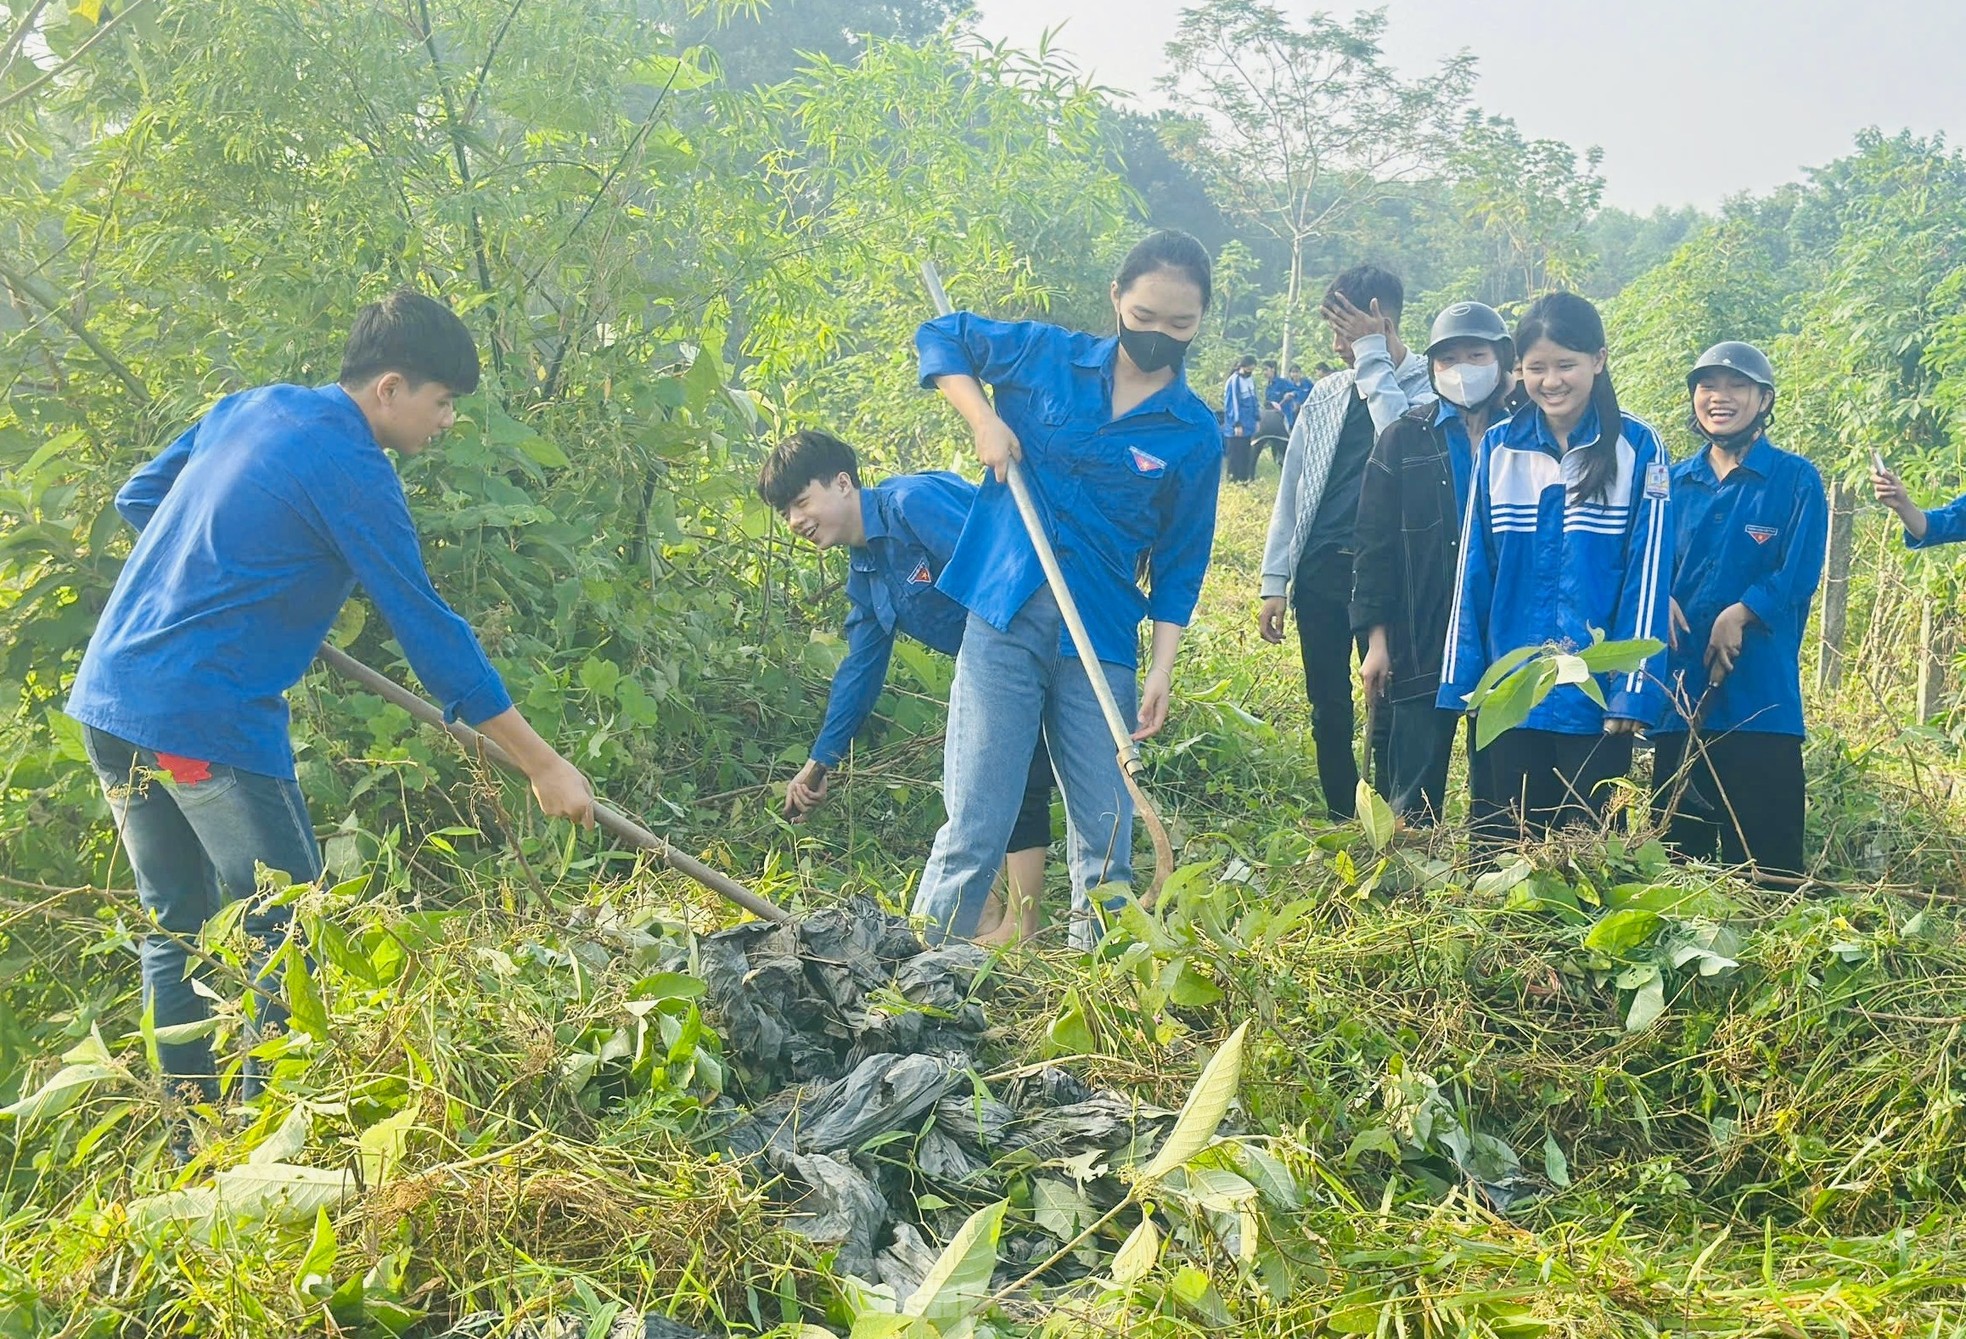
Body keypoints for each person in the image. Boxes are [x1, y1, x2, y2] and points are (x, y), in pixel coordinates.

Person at [65, 290, 595, 1125]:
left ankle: (189, 1132)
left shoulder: (251, 405)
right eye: (443, 401)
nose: (448, 420)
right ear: (390, 388)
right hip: (203, 724)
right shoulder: (355, 471)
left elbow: (141, 498)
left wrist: (245, 572)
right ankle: (270, 1146)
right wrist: (543, 761)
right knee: (290, 932)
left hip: (109, 701)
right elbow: (428, 627)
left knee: (176, 927)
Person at [911, 230, 1221, 946]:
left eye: (1179, 325)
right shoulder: (1046, 356)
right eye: (1144, 317)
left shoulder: (1193, 432)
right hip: (1007, 614)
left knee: (1107, 833)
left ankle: (1101, 990)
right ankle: (920, 976)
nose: (1158, 336)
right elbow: (942, 336)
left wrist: (1163, 667)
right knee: (977, 819)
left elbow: (1182, 561)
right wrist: (983, 418)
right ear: (1116, 298)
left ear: (1201, 320)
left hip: (1102, 636)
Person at [757, 429, 1052, 944]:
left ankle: (1027, 929)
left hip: (1041, 645)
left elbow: (1002, 556)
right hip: (996, 673)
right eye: (786, 513)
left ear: (843, 483)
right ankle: (1002, 918)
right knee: (1002, 783)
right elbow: (860, 671)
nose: (796, 522)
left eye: (802, 502)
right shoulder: (867, 572)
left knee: (1024, 779)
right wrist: (819, 761)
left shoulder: (912, 503)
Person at [1437, 292, 1672, 837]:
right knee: (1503, 852)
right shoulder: (1499, 448)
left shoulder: (1638, 448)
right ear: (1518, 371)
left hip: (1596, 698)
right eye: (1536, 368)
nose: (1551, 381)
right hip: (1509, 690)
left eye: (1566, 365)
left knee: (1587, 860)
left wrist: (1632, 687)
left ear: (1599, 360)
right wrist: (1464, 680)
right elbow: (1475, 570)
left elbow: (1648, 576)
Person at [1257, 266, 1433, 818]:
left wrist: (1373, 358)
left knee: (1391, 702)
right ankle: (1341, 815)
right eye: (1333, 333)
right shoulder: (1328, 394)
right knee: (1327, 707)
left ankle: (1393, 818)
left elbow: (1403, 449)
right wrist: (1274, 579)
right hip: (1321, 570)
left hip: (1388, 576)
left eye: (1346, 330)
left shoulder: (1429, 389)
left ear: (1380, 320)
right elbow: (1294, 488)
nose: (1337, 347)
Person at [1650, 343, 1826, 884]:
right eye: (1707, 386)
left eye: (1736, 387)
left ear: (1764, 399)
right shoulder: (1672, 482)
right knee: (1679, 875)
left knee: (1770, 872)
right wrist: (1661, 597)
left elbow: (1797, 575)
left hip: (1761, 702)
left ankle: (1776, 965)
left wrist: (1743, 612)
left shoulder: (1795, 480)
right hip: (1679, 698)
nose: (1718, 398)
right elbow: (1644, 560)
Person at [1351, 302, 1516, 823]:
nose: (1463, 368)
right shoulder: (1404, 436)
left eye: (1476, 354)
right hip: (1420, 634)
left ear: (1503, 360)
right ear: (1431, 368)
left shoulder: (1525, 438)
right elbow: (1373, 546)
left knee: (1502, 779)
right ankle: (1407, 879)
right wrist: (1376, 642)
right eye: (1448, 358)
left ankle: (1492, 875)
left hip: (1503, 631)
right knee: (1411, 786)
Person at [1223, 354, 1261, 483]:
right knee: (1235, 453)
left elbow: (1255, 399)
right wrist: (1237, 424)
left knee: (1246, 452)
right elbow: (1232, 404)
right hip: (1237, 425)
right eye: (1248, 370)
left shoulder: (1251, 380)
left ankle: (1244, 479)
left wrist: (1257, 419)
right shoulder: (1234, 381)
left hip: (1249, 423)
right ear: (1242, 367)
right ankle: (1233, 479)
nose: (1250, 372)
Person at [1264, 358, 1302, 427]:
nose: (1264, 372)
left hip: (1284, 420)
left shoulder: (1283, 382)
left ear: (1273, 369)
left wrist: (1292, 394)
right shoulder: (1268, 387)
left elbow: (1297, 391)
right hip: (1272, 421)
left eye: (1266, 369)